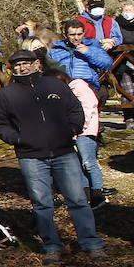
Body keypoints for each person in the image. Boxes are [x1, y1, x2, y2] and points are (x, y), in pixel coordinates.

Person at [0, 51, 105, 262]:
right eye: (17, 65)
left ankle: (91, 242)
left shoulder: (55, 85)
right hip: (30, 156)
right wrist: (18, 138)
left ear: (36, 64)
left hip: (64, 152)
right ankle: (52, 245)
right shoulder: (7, 94)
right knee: (41, 202)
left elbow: (75, 110)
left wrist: (71, 130)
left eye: (26, 63)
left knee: (78, 199)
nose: (22, 68)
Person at [41, 65, 111, 207]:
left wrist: (79, 128)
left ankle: (98, 192)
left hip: (85, 131)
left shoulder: (78, 86)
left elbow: (87, 108)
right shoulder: (67, 91)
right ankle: (86, 194)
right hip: (75, 132)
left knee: (88, 162)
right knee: (79, 163)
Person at [48, 19, 113, 90]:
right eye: (72, 35)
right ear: (65, 34)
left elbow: (108, 64)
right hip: (63, 86)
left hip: (87, 85)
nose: (76, 38)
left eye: (79, 34)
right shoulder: (56, 49)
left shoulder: (92, 45)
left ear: (84, 33)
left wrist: (88, 52)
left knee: (79, 86)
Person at [115, 0, 134, 129]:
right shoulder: (116, 24)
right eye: (125, 10)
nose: (127, 13)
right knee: (127, 91)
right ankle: (129, 117)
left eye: (130, 10)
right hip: (122, 62)